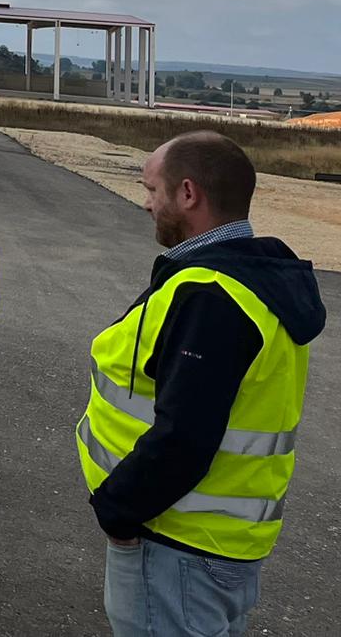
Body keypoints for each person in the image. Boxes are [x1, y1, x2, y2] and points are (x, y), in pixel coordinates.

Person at [77, 132, 325, 637]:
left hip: (174, 542)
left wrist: (117, 512)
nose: (146, 204)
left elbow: (185, 437)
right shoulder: (255, 280)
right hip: (216, 545)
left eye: (152, 190)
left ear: (188, 194)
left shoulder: (213, 296)